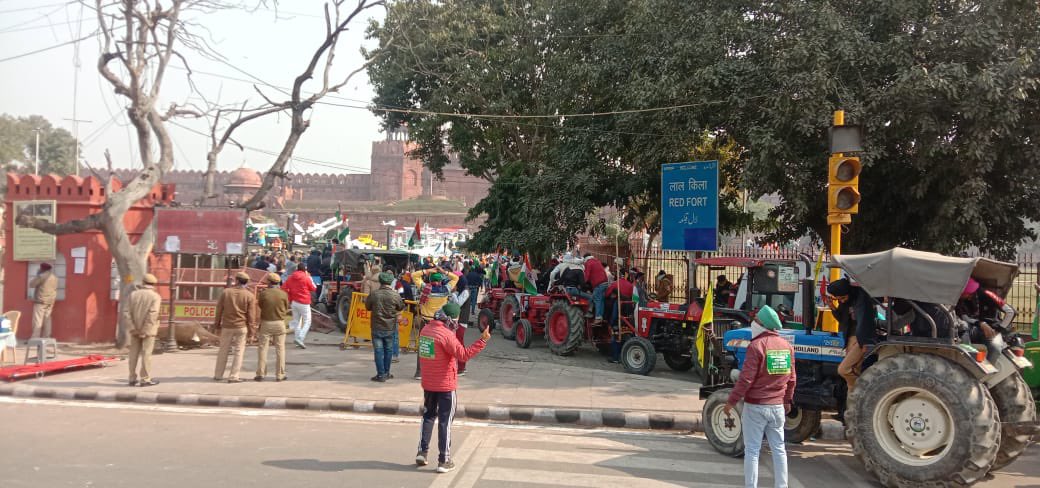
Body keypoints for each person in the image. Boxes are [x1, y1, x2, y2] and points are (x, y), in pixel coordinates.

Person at [724, 305, 795, 488]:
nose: (753, 323)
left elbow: (746, 380)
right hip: (777, 406)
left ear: (762, 324)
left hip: (756, 407)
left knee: (753, 451)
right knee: (779, 449)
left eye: (755, 320)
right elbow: (792, 378)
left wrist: (731, 402)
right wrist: (787, 400)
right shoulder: (786, 346)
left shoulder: (756, 346)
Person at [415, 303, 491, 473]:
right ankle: (444, 460)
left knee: (428, 416)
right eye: (455, 320)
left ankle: (422, 451)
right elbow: (463, 354)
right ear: (450, 319)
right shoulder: (447, 336)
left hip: (428, 384)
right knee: (445, 422)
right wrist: (483, 340)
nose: (456, 324)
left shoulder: (425, 330)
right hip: (445, 386)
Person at [827, 278, 876, 390]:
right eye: (839, 299)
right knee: (853, 373)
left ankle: (863, 389)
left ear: (849, 292)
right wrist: (833, 307)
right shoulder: (845, 301)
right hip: (849, 337)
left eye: (843, 298)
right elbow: (843, 320)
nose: (842, 301)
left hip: (859, 338)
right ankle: (853, 402)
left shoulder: (861, 299)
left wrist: (863, 342)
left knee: (844, 370)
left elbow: (864, 321)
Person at [412, 267, 459, 380]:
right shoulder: (446, 289)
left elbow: (414, 275)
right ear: (441, 280)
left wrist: (427, 270)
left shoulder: (425, 288)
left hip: (426, 322)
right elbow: (456, 277)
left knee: (423, 347)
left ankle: (420, 372)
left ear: (430, 279)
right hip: (440, 323)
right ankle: (438, 372)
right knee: (441, 348)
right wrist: (444, 272)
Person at [213, 272, 257, 383]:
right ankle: (234, 376)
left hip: (227, 326)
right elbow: (251, 316)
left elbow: (219, 310)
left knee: (223, 350)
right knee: (239, 351)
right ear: (246, 282)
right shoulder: (249, 295)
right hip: (241, 327)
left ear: (236, 280)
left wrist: (217, 325)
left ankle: (218, 375)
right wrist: (252, 332)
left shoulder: (226, 292)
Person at [365, 272, 405, 382]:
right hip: (390, 327)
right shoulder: (395, 295)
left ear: (381, 281)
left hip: (376, 327)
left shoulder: (374, 294)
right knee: (388, 350)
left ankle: (381, 374)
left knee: (378, 351)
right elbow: (401, 306)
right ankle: (386, 373)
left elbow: (367, 306)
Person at [123, 273, 162, 387]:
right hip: (148, 331)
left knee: (133, 354)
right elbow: (153, 314)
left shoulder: (133, 295)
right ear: (154, 284)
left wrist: (133, 328)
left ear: (143, 283)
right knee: (146, 354)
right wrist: (145, 330)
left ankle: (131, 378)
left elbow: (126, 313)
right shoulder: (155, 296)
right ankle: (145, 379)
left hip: (134, 330)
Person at [256, 273, 290, 382]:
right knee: (280, 349)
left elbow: (260, 305)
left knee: (262, 349)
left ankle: (261, 373)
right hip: (280, 323)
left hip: (266, 323)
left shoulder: (263, 294)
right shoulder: (283, 294)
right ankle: (280, 374)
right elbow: (286, 307)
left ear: (269, 282)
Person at [282, 264, 317, 349]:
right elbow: (313, 288)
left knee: (296, 322)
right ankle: (300, 338)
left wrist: (290, 296)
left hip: (294, 302)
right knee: (307, 321)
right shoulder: (306, 277)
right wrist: (310, 278)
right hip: (304, 302)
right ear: (305, 270)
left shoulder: (291, 277)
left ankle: (298, 340)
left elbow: (283, 287)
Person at [29, 263, 58, 339]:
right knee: (47, 320)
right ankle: (46, 337)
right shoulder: (54, 277)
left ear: (42, 268)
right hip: (50, 301)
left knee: (37, 320)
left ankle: (35, 338)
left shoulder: (41, 276)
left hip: (40, 301)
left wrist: (37, 275)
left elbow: (31, 284)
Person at [584, 254, 609, 322]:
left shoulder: (588, 263)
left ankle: (596, 316)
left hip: (598, 284)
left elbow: (586, 276)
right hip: (605, 282)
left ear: (585, 258)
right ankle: (601, 317)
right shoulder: (597, 261)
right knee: (601, 300)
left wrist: (582, 283)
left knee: (595, 299)